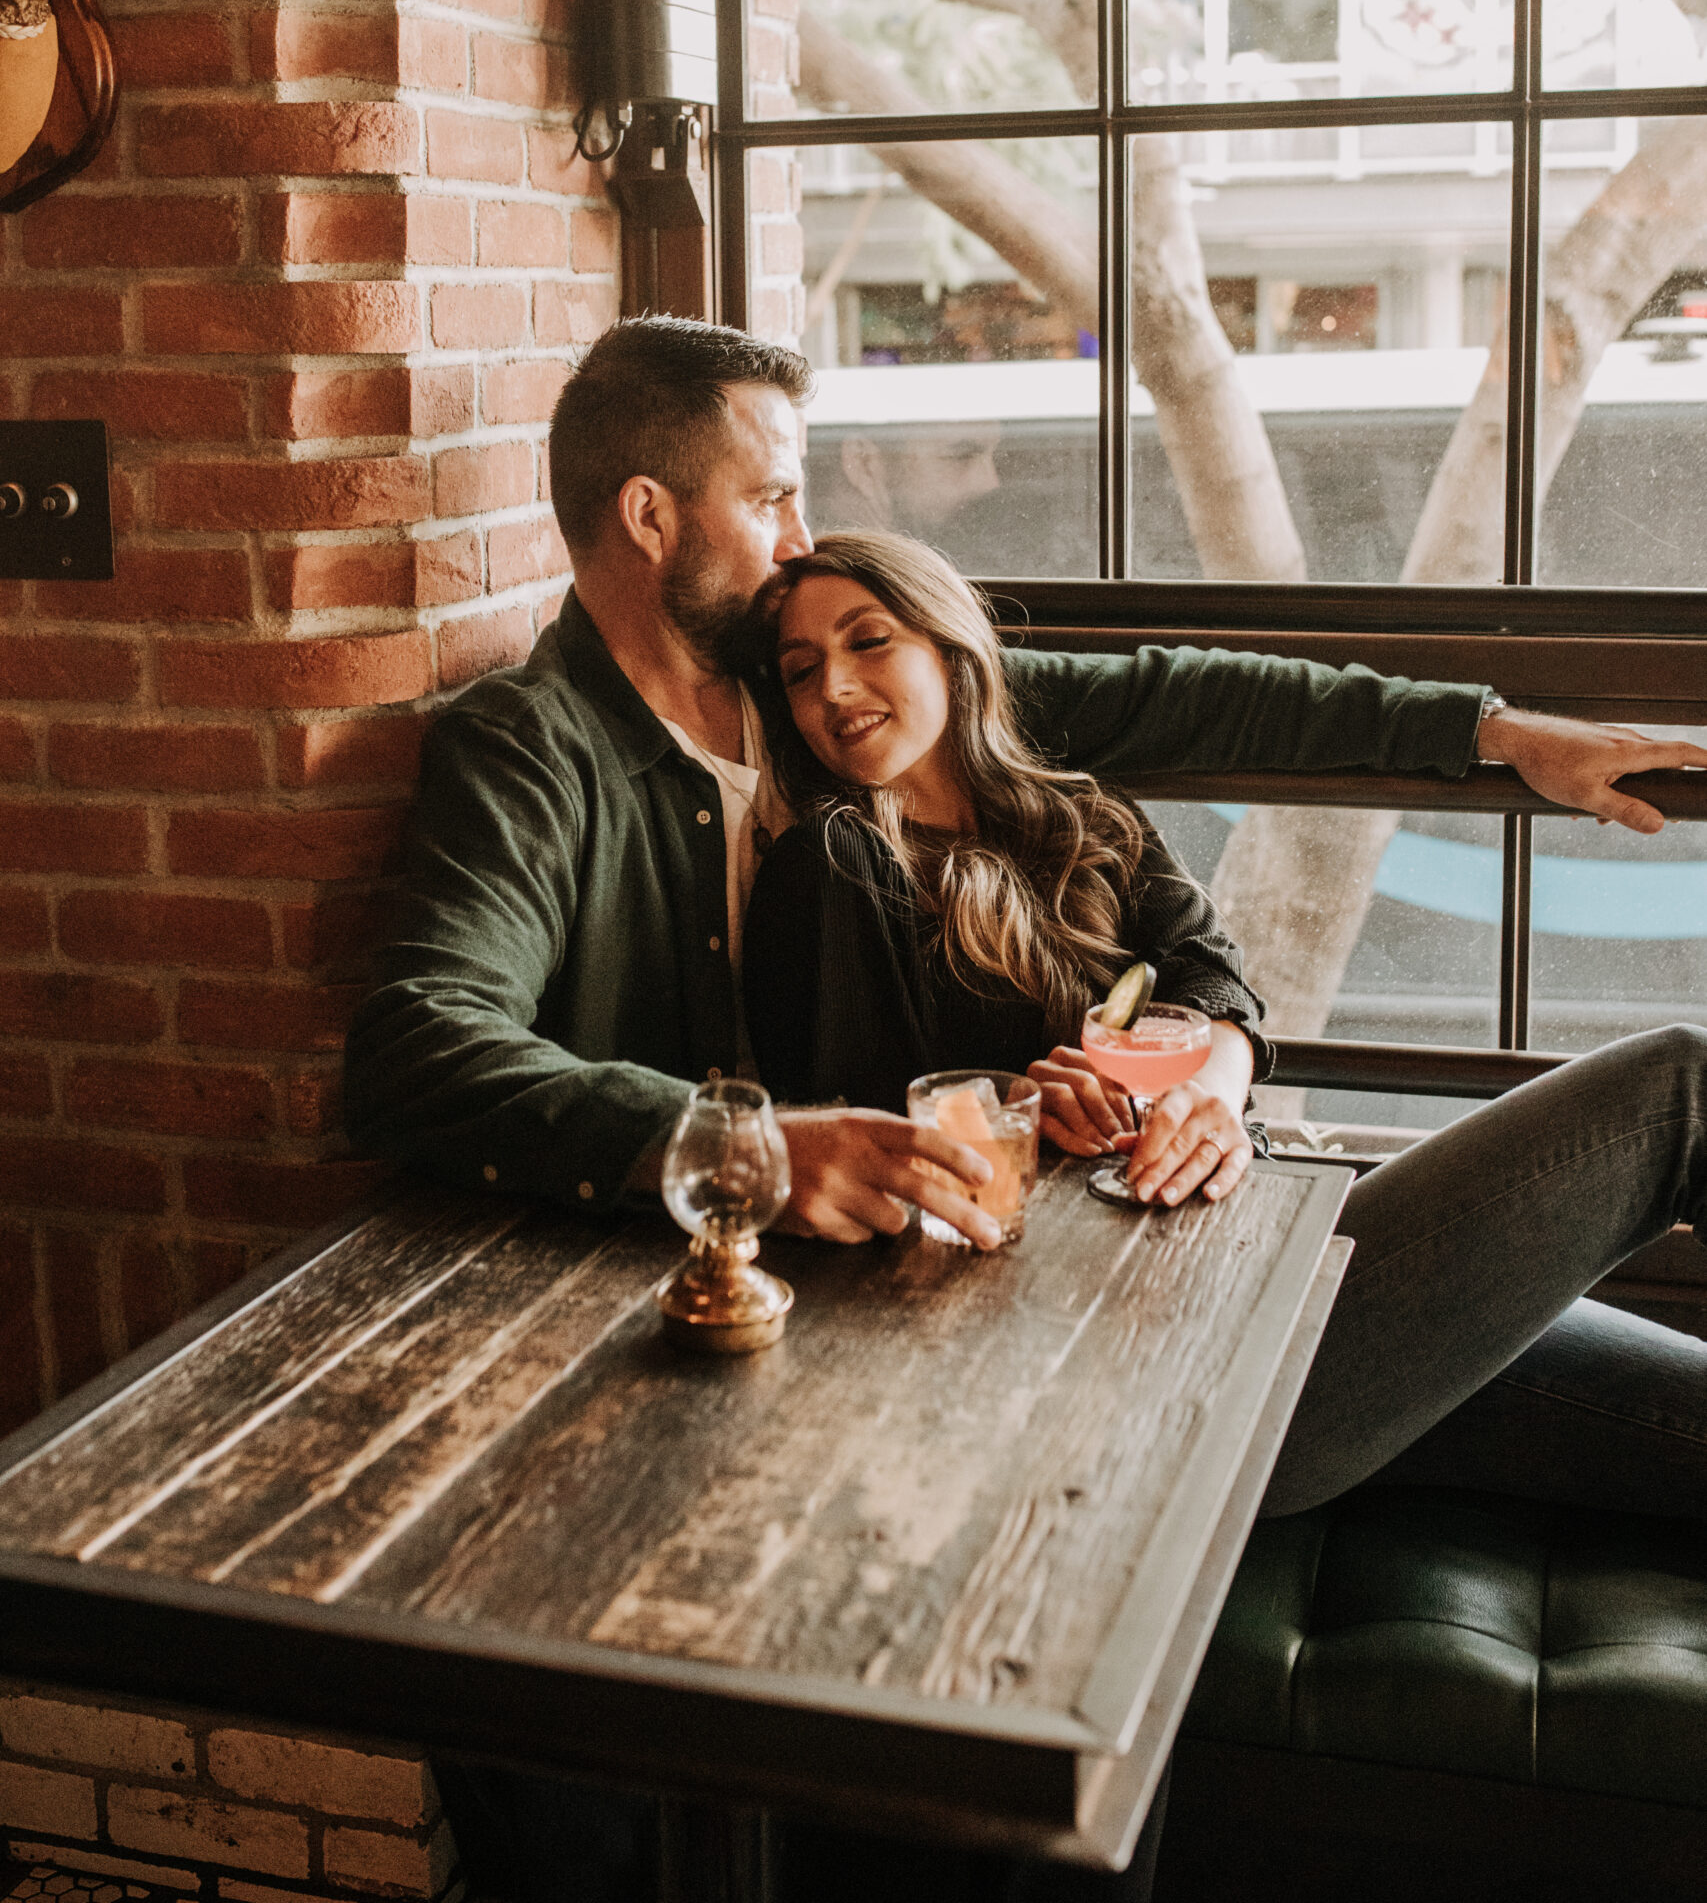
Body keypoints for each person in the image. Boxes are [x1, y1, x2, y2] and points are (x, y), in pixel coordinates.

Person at [341, 313, 1707, 1903]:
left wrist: (1487, 740)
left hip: (1176, 1257)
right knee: (1672, 1091)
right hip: (988, 1330)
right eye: (772, 497)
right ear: (651, 518)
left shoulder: (844, 696)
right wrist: (762, 1150)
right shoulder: (540, 749)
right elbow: (418, 1045)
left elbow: (1198, 701)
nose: (799, 549)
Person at [744, 529, 1707, 1527]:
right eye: (801, 669)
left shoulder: (1072, 810)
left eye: (869, 642)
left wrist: (1207, 1090)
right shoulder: (832, 865)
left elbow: (1209, 971)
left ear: (950, 648)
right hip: (1165, 1357)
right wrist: (1023, 1112)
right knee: (1679, 1089)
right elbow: (863, 1165)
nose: (834, 688)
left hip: (1269, 1249)